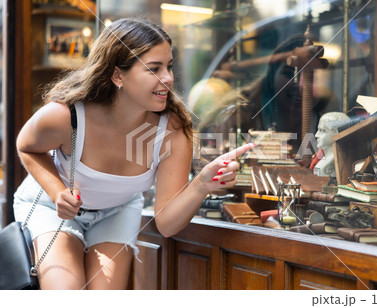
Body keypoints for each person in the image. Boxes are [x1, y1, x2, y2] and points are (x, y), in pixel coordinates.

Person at [13, 18, 254, 290]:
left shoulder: (173, 129)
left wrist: (201, 185)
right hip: (51, 207)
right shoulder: (67, 115)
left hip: (117, 211)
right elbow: (26, 145)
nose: (168, 78)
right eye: (154, 69)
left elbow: (165, 224)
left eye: (169, 66)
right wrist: (57, 192)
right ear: (118, 76)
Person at [198, 33, 338, 153]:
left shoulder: (324, 118)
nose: (300, 85)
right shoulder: (239, 116)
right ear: (271, 76)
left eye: (311, 77)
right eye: (290, 74)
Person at [313, 112, 350, 177]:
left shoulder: (340, 161)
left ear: (336, 133)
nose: (316, 135)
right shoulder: (325, 159)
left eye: (322, 130)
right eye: (318, 130)